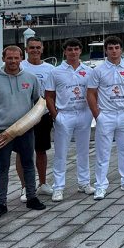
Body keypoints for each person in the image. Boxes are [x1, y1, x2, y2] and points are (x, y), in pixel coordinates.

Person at [0, 45, 46, 220]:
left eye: (16, 58)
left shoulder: (31, 78)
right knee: (2, 168)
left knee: (28, 164)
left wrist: (38, 118)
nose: (13, 61)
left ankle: (32, 197)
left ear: (21, 58)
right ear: (3, 58)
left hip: (25, 130)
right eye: (9, 58)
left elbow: (38, 102)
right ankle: (1, 203)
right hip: (3, 132)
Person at [87, 36, 124, 199]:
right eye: (110, 48)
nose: (114, 51)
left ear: (121, 49)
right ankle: (101, 186)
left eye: (117, 47)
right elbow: (91, 94)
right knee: (103, 152)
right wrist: (98, 115)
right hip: (106, 116)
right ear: (106, 50)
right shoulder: (98, 70)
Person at [44, 39, 95, 202]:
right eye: (70, 50)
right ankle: (58, 187)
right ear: (65, 52)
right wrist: (55, 116)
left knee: (83, 150)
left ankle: (84, 183)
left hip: (83, 113)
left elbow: (94, 93)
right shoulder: (55, 72)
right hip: (64, 114)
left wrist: (93, 113)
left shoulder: (88, 71)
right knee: (60, 153)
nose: (73, 52)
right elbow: (49, 96)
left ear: (80, 51)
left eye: (76, 49)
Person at [20, 36, 55, 199]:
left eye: (37, 47)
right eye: (31, 47)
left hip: (43, 115)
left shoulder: (50, 69)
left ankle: (42, 183)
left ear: (42, 49)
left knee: (41, 150)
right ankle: (24, 187)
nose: (35, 50)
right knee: (23, 152)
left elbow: (54, 93)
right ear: (26, 50)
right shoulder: (19, 67)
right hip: (22, 116)